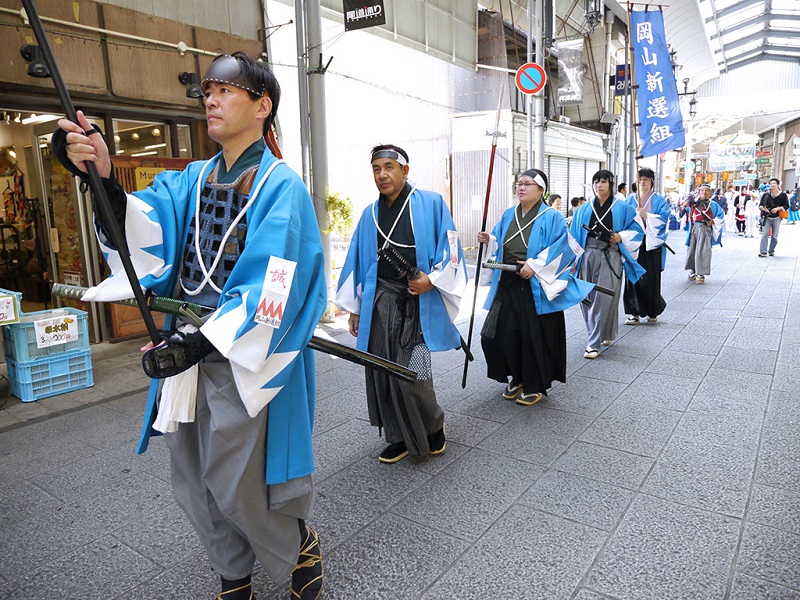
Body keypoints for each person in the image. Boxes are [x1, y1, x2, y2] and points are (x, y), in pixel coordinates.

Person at [52, 53, 325, 600]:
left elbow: (277, 285)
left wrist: (204, 339)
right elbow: (144, 228)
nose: (213, 100)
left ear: (262, 105)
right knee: (193, 476)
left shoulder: (283, 188)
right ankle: (233, 570)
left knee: (238, 480)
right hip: (187, 349)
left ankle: (297, 549)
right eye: (208, 91)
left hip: (246, 357)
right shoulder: (190, 180)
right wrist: (101, 176)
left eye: (226, 90)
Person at [335, 144, 468, 464]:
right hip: (380, 299)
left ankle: (433, 426)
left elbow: (451, 249)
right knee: (381, 369)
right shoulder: (370, 214)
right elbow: (357, 260)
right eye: (376, 169)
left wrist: (431, 280)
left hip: (415, 299)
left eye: (389, 167)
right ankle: (398, 435)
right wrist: (355, 307)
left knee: (415, 370)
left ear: (405, 170)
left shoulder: (432, 204)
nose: (382, 174)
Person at [477, 169, 592, 404]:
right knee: (505, 333)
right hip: (507, 281)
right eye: (519, 183)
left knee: (533, 336)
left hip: (535, 285)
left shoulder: (552, 216)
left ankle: (535, 384)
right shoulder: (509, 214)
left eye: (528, 184)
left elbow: (564, 248)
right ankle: (517, 377)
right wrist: (490, 241)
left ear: (541, 190)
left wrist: (536, 266)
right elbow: (500, 241)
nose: (521, 187)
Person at [569, 169, 645, 359]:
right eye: (596, 182)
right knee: (586, 298)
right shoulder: (584, 209)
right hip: (587, 256)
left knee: (604, 298)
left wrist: (620, 236)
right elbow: (572, 237)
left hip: (610, 256)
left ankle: (593, 342)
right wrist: (572, 261)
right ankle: (603, 333)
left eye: (603, 182)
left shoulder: (623, 207)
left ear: (611, 184)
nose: (599, 186)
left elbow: (638, 232)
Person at [623, 167, 670, 325]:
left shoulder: (659, 200)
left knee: (651, 279)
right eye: (640, 179)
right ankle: (633, 312)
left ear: (652, 182)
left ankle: (652, 311)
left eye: (646, 179)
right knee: (633, 278)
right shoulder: (630, 200)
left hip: (651, 246)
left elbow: (664, 219)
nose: (642, 182)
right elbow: (622, 220)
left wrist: (647, 216)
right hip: (633, 244)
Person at [681, 183, 724, 284]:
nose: (704, 192)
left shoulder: (713, 204)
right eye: (702, 190)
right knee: (692, 249)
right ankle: (693, 270)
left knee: (703, 250)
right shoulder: (693, 203)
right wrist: (684, 205)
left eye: (707, 190)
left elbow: (721, 215)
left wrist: (713, 221)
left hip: (705, 228)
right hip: (694, 228)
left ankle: (701, 273)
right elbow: (682, 213)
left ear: (709, 193)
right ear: (699, 192)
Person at [758, 178, 790, 257]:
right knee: (764, 234)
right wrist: (762, 208)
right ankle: (763, 251)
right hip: (767, 217)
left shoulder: (783, 195)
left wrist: (778, 209)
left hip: (777, 218)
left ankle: (771, 250)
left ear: (778, 185)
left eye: (774, 183)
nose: (772, 185)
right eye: (771, 183)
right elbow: (760, 205)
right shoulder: (766, 195)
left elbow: (786, 205)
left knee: (774, 235)